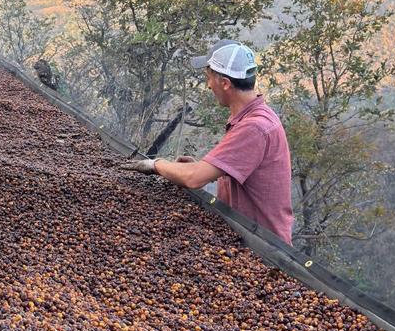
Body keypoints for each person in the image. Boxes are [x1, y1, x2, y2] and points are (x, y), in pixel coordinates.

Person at [124, 40, 293, 244]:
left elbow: (194, 179)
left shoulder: (254, 127)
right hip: (243, 235)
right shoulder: (255, 117)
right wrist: (207, 167)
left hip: (263, 248)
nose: (208, 85)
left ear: (225, 83)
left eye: (209, 77)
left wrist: (154, 165)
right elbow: (240, 173)